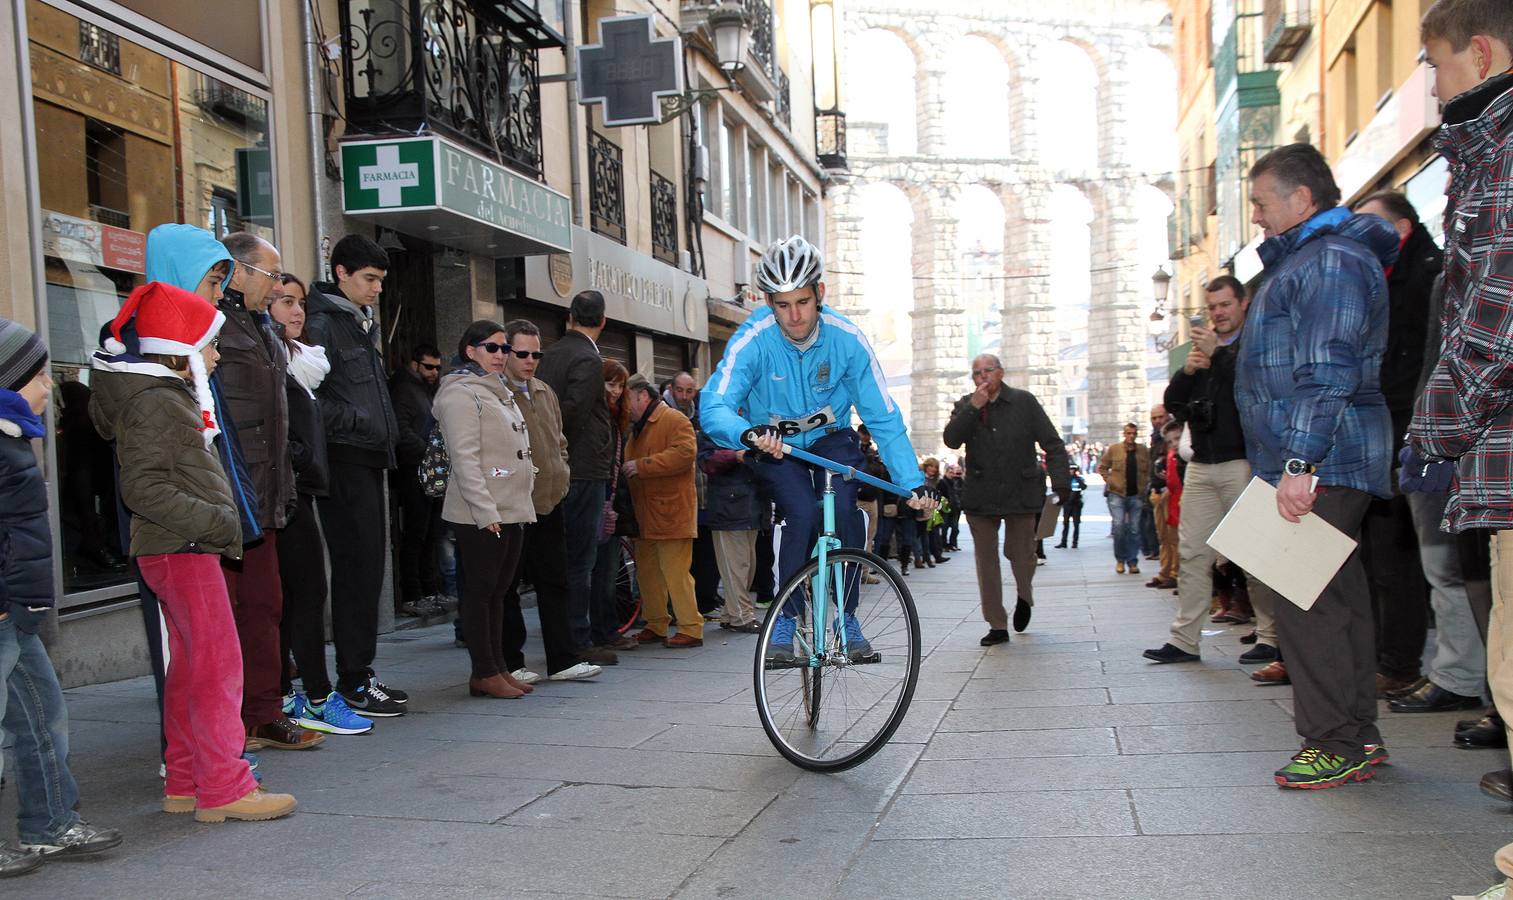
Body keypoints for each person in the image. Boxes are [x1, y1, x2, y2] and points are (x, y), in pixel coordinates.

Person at [90, 282, 298, 822]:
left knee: (190, 667)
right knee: (217, 668)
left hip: (177, 546)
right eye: (209, 342)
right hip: (182, 546)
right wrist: (217, 521)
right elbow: (144, 487)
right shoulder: (157, 401)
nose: (216, 353)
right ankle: (224, 786)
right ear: (178, 347)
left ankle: (186, 780)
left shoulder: (161, 394)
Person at [1234, 142, 1398, 789]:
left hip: (1319, 456)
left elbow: (1325, 367)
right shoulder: (1320, 256)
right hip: (1328, 453)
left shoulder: (1327, 260)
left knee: (1307, 601)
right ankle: (1355, 733)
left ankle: (1331, 740)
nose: (1255, 216)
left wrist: (1298, 460)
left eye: (1260, 202)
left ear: (1300, 199)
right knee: (1341, 598)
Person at [700, 235, 934, 663]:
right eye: (782, 304)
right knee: (801, 513)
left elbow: (881, 414)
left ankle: (846, 616)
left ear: (820, 293)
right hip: (775, 447)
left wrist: (912, 481)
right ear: (768, 302)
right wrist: (746, 434)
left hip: (832, 439)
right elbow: (714, 403)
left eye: (803, 302)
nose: (794, 316)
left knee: (842, 509)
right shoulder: (754, 337)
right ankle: (786, 619)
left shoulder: (847, 339)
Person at [1409, 3, 1513, 886]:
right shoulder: (1486, 148)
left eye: (1432, 64)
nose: (1428, 85)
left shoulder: (1502, 150)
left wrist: (1437, 427)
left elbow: (1495, 309)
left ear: (1478, 53)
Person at [0, 319, 122, 875]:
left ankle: (48, 823)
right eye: (39, 374)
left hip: (16, 609)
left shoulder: (12, 435)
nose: (49, 384)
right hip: (5, 605)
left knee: (41, 715)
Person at [217, 232, 323, 753]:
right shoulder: (214, 322)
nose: (277, 284)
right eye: (270, 274)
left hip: (268, 492)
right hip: (232, 491)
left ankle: (262, 712)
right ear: (238, 272)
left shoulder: (261, 327)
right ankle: (234, 718)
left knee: (266, 606)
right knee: (236, 612)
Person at [1144, 276, 1277, 665]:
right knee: (1192, 555)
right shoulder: (1203, 353)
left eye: (1225, 305)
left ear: (1242, 303)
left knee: (1254, 555)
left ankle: (1271, 635)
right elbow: (1173, 402)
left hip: (1242, 462)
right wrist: (1187, 371)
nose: (1218, 313)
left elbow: (1251, 388)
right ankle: (1185, 640)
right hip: (1201, 463)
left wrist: (1217, 356)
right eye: (1213, 306)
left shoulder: (1254, 342)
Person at [305, 235, 406, 718]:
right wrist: (362, 424)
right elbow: (310, 402)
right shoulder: (323, 323)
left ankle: (359, 673)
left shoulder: (354, 323)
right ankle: (352, 680)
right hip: (345, 460)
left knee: (367, 572)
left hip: (365, 459)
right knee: (356, 571)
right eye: (369, 279)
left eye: (381, 281)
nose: (377, 289)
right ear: (341, 272)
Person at [267, 275, 372, 736]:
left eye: (301, 303)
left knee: (303, 594)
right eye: (286, 302)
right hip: (278, 494)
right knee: (299, 596)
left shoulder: (302, 362)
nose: (297, 312)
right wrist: (300, 459)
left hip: (298, 490)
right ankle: (310, 695)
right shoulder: (269, 360)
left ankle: (301, 692)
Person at [434, 320, 538, 699]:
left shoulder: (498, 391)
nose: (501, 355)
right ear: (470, 350)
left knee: (499, 593)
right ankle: (484, 672)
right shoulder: (459, 394)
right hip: (481, 512)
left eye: (504, 348)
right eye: (491, 347)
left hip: (511, 508)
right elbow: (465, 459)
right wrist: (485, 511)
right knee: (480, 593)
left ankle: (497, 668)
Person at [497, 319, 601, 683]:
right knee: (507, 586)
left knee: (555, 581)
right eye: (522, 353)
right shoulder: (496, 393)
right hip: (513, 505)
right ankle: (511, 662)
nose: (530, 360)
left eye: (536, 353)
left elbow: (559, 440)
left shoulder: (544, 390)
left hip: (550, 501)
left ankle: (562, 659)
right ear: (506, 352)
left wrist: (563, 473)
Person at [944, 354, 1070, 644]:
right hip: (981, 495)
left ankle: (1024, 594)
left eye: (988, 371)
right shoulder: (966, 404)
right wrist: (972, 409)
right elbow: (951, 439)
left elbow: (1052, 443)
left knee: (1021, 554)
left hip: (1020, 492)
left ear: (1001, 372)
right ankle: (997, 624)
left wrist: (1061, 482)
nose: (982, 377)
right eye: (977, 373)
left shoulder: (1024, 402)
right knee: (986, 561)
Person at [536, 291, 619, 665]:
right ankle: (578, 639)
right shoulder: (587, 357)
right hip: (582, 469)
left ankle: (565, 637)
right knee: (581, 559)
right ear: (603, 321)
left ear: (570, 316)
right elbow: (573, 412)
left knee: (561, 557)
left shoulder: (550, 354)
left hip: (558, 467)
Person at [623, 373, 703, 647]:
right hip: (646, 513)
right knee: (647, 573)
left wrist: (642, 466)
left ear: (642, 396)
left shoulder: (673, 419)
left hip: (671, 512)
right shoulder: (641, 424)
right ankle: (656, 624)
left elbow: (684, 454)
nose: (626, 407)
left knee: (676, 574)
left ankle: (691, 629)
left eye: (628, 400)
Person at [390, 342, 447, 618]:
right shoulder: (404, 389)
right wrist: (428, 451)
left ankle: (430, 590)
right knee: (416, 534)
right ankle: (413, 594)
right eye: (428, 367)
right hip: (413, 472)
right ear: (415, 364)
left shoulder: (425, 390)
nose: (434, 372)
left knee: (430, 534)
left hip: (429, 471)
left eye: (438, 367)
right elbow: (400, 431)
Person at [698, 408, 765, 633]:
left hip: (751, 505)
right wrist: (736, 455)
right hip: (729, 506)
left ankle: (730, 612)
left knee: (746, 564)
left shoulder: (754, 421)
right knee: (737, 565)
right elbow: (706, 461)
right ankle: (741, 615)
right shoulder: (713, 425)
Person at [590, 361, 639, 651]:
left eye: (621, 386)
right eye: (611, 384)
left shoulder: (617, 419)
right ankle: (603, 632)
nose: (616, 391)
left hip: (611, 502)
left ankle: (606, 629)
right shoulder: (598, 417)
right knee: (601, 573)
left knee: (608, 572)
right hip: (600, 501)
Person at [1098, 423, 1149, 576]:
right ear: (1124, 434)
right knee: (1119, 527)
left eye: (1133, 433)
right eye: (1128, 433)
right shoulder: (1114, 449)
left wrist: (1145, 484)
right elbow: (1102, 467)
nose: (1131, 436)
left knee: (1134, 529)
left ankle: (1132, 562)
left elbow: (1149, 469)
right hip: (1117, 494)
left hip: (1136, 495)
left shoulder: (1143, 451)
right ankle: (1120, 560)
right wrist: (1110, 481)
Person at [1147, 419, 1185, 589]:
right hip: (1169, 498)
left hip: (1178, 500)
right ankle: (1169, 573)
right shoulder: (1169, 453)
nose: (1174, 444)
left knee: (1179, 542)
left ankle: (1176, 575)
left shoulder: (1182, 455)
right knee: (1167, 539)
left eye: (1177, 439)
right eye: (1170, 441)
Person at [1140, 406, 1168, 562]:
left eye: (1160, 417)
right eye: (1154, 418)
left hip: (1168, 488)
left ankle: (1171, 571)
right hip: (1156, 488)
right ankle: (1166, 569)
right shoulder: (1156, 438)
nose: (1157, 421)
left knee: (1169, 534)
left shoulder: (1168, 436)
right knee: (1161, 533)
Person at [1054, 465, 1086, 549]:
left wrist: (1078, 479)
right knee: (1065, 523)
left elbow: (1084, 487)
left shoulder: (1079, 479)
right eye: (1070, 469)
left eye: (1073, 470)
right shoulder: (1065, 480)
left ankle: (1075, 543)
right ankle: (1063, 542)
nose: (1071, 471)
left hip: (1076, 504)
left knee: (1076, 524)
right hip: (1067, 504)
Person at [941, 462, 964, 552]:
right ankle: (944, 545)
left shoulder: (957, 482)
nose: (953, 474)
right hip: (945, 508)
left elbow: (960, 493)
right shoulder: (942, 482)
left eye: (953, 472)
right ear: (946, 472)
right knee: (944, 528)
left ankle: (953, 544)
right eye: (950, 472)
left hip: (955, 508)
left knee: (955, 528)